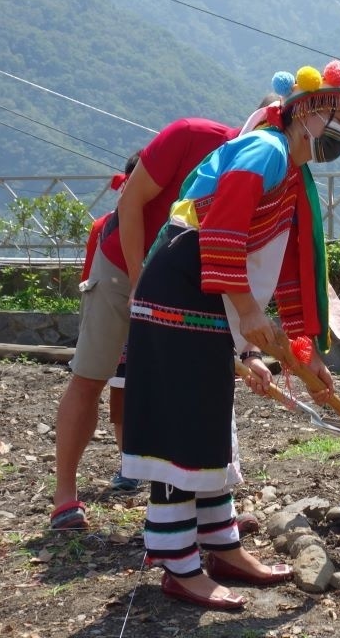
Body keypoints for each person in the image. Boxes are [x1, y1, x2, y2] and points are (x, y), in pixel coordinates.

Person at [121, 60, 340, 610]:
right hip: (183, 290)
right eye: (330, 115)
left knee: (207, 419)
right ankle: (179, 565)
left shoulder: (293, 177)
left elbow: (294, 272)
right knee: (181, 424)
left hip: (207, 295)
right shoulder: (267, 150)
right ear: (302, 115)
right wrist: (250, 313)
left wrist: (306, 351)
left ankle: (222, 546)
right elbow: (223, 230)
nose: (337, 130)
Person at [51, 118, 237, 531]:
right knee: (92, 375)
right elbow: (129, 202)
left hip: (185, 277)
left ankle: (206, 505)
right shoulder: (190, 136)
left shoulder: (268, 171)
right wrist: (140, 281)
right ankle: (65, 495)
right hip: (121, 266)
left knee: (192, 384)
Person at [78, 152, 142, 493]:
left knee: (146, 393)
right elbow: (92, 277)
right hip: (120, 321)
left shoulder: (164, 223)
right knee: (121, 393)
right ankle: (128, 462)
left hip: (148, 321)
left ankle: (144, 461)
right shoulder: (104, 227)